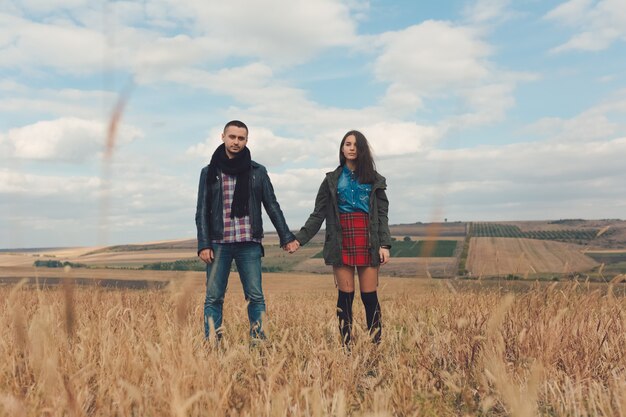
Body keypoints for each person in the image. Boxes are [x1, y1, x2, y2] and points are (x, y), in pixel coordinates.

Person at [285, 130, 391, 346]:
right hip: (340, 239)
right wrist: (299, 239)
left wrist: (384, 244)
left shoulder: (375, 180)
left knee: (369, 297)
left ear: (362, 150)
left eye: (356, 144)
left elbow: (382, 214)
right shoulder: (331, 180)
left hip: (368, 239)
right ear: (342, 149)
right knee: (345, 297)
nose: (351, 148)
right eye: (347, 144)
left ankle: (376, 346)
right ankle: (346, 348)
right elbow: (318, 213)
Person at [195, 120, 296, 342]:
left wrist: (286, 236)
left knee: (255, 297)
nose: (236, 142)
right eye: (232, 137)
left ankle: (259, 345)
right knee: (213, 298)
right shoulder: (209, 172)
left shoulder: (257, 171)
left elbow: (271, 205)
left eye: (241, 138)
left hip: (248, 243)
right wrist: (203, 244)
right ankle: (213, 345)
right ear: (223, 136)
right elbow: (201, 210)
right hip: (218, 243)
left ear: (246, 141)